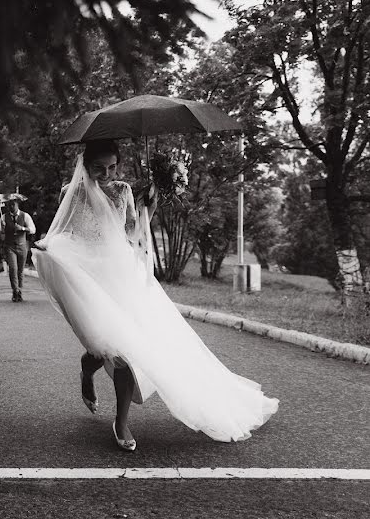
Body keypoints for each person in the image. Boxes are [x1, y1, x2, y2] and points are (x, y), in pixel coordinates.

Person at [31, 140, 278, 451]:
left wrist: (152, 204)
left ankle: (112, 407)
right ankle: (103, 392)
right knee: (116, 352)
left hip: (121, 276)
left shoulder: (122, 191)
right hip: (89, 278)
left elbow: (132, 232)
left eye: (112, 167)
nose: (106, 174)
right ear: (85, 165)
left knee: (125, 351)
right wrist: (49, 245)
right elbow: (64, 228)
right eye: (99, 168)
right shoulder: (72, 191)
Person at [0, 198, 36, 302]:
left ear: (17, 205)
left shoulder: (25, 216)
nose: (11, 207)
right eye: (9, 205)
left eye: (13, 205)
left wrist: (22, 228)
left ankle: (19, 290)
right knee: (13, 269)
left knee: (20, 271)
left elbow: (33, 229)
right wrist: (2, 228)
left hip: (22, 246)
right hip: (10, 246)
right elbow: (1, 233)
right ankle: (15, 291)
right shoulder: (4, 217)